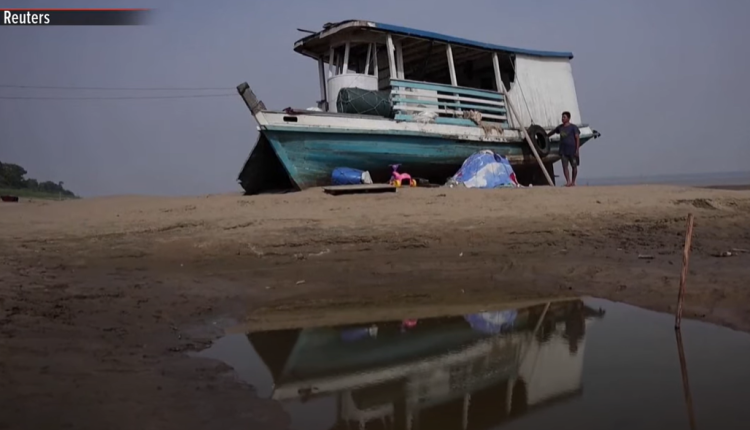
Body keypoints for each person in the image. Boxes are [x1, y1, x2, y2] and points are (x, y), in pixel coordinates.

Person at [548, 111, 580, 187]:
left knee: (574, 166)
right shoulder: (560, 127)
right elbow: (554, 131)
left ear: (568, 118)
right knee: (565, 166)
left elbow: (577, 138)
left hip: (572, 150)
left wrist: (577, 150)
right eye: (562, 117)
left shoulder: (573, 127)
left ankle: (573, 182)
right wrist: (546, 135)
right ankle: (568, 181)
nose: (562, 118)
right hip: (563, 150)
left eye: (564, 117)